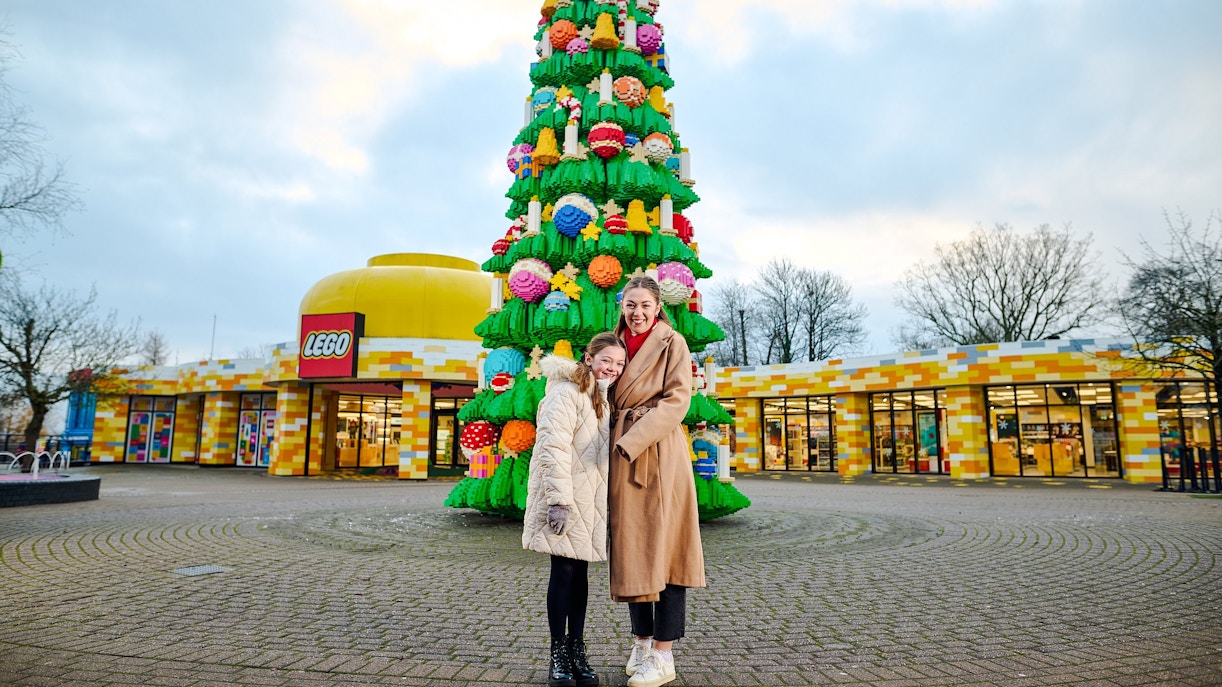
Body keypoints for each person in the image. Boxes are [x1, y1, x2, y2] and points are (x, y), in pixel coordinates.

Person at [607, 276, 705, 687]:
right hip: (621, 455)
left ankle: (664, 654)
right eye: (631, 304)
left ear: (658, 305)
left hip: (658, 454)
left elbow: (678, 400)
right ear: (622, 306)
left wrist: (632, 439)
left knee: (666, 551)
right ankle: (642, 642)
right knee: (632, 549)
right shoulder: (611, 342)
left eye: (645, 304)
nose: (638, 312)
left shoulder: (672, 342)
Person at [523, 332, 627, 687]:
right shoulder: (567, 394)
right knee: (563, 573)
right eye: (606, 361)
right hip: (566, 501)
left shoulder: (602, 398)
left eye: (618, 364)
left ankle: (576, 649)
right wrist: (558, 501)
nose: (612, 368)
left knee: (579, 576)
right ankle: (557, 654)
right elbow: (552, 448)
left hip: (590, 502)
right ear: (589, 358)